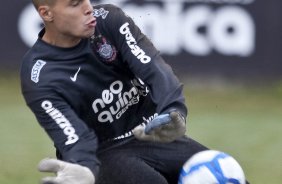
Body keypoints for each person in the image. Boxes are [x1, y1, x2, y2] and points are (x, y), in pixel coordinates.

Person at [21, 0, 210, 183]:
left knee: (220, 172)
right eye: (75, 3)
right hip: (101, 154)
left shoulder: (109, 20)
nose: (87, 8)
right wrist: (84, 167)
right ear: (47, 13)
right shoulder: (39, 74)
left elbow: (153, 68)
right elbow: (71, 133)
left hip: (148, 135)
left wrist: (173, 110)